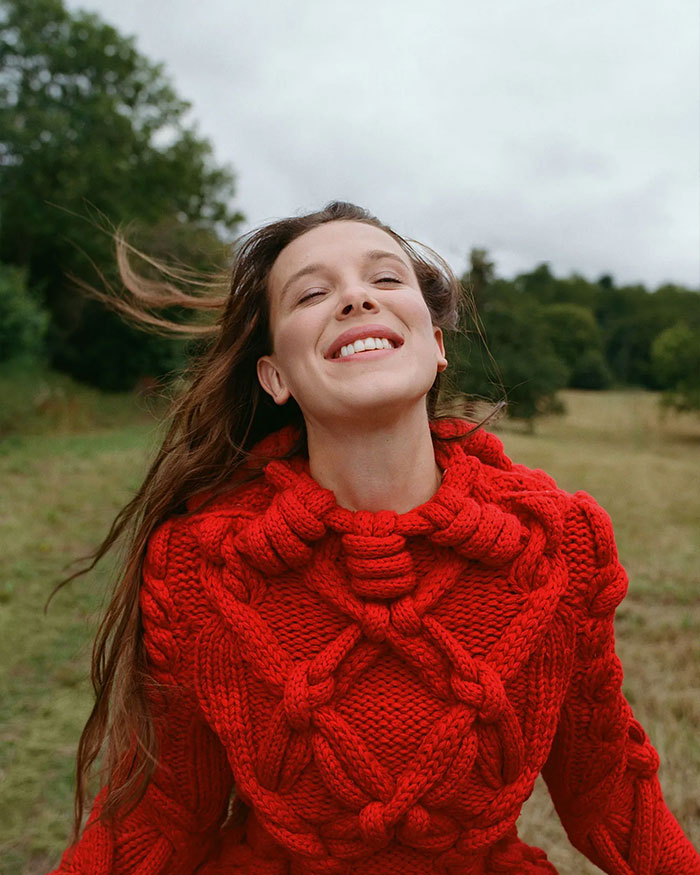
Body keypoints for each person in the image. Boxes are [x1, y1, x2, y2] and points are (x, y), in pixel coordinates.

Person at [50, 202, 699, 874]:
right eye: (312, 292)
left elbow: (609, 793)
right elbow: (163, 813)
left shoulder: (559, 544)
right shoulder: (199, 565)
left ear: (437, 345)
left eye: (386, 280)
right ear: (275, 375)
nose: (357, 297)